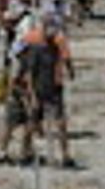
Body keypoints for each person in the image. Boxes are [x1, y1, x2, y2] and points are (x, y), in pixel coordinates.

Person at [19, 17, 77, 168]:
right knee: (32, 123)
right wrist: (32, 95)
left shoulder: (56, 46)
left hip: (54, 87)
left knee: (61, 122)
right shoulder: (36, 49)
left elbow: (65, 58)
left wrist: (69, 71)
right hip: (39, 89)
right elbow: (30, 74)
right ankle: (24, 152)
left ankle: (66, 155)